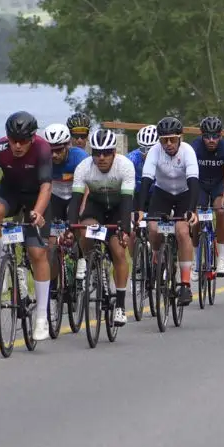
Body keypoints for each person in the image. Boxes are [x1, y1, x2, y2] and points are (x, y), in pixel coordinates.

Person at [0, 111, 53, 342]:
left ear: (32, 137)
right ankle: (4, 262)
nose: (18, 146)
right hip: (10, 192)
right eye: (13, 140)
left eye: (23, 141)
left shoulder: (42, 148)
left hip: (36, 197)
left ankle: (41, 316)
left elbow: (46, 187)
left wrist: (38, 213)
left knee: (37, 253)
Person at [67, 129, 136, 326]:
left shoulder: (125, 166)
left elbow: (127, 202)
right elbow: (75, 202)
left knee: (118, 251)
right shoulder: (83, 168)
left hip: (118, 208)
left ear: (114, 152)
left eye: (106, 153)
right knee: (85, 230)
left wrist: (124, 230)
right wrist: (70, 228)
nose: (102, 157)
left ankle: (121, 306)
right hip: (96, 206)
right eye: (97, 153)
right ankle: (93, 263)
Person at [138, 115, 200, 306]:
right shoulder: (155, 152)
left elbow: (194, 182)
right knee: (154, 230)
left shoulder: (188, 151)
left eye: (173, 139)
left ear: (180, 137)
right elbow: (146, 180)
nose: (169, 144)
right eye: (165, 140)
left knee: (182, 232)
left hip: (184, 194)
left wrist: (191, 210)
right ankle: (157, 259)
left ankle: (185, 284)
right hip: (162, 193)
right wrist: (140, 209)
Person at [190, 115, 224, 276]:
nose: (211, 140)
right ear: (201, 136)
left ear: (220, 135)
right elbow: (189, 175)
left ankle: (221, 258)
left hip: (219, 184)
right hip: (200, 184)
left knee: (221, 211)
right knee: (194, 217)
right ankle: (196, 259)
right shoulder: (194, 147)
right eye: (207, 136)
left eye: (215, 136)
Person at [43, 123, 90, 277]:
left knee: (75, 221)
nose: (54, 155)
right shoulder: (43, 159)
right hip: (55, 196)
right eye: (51, 151)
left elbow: (88, 186)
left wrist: (82, 209)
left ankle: (82, 258)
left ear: (68, 145)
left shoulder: (79, 157)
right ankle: (55, 287)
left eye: (58, 150)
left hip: (75, 195)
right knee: (51, 244)